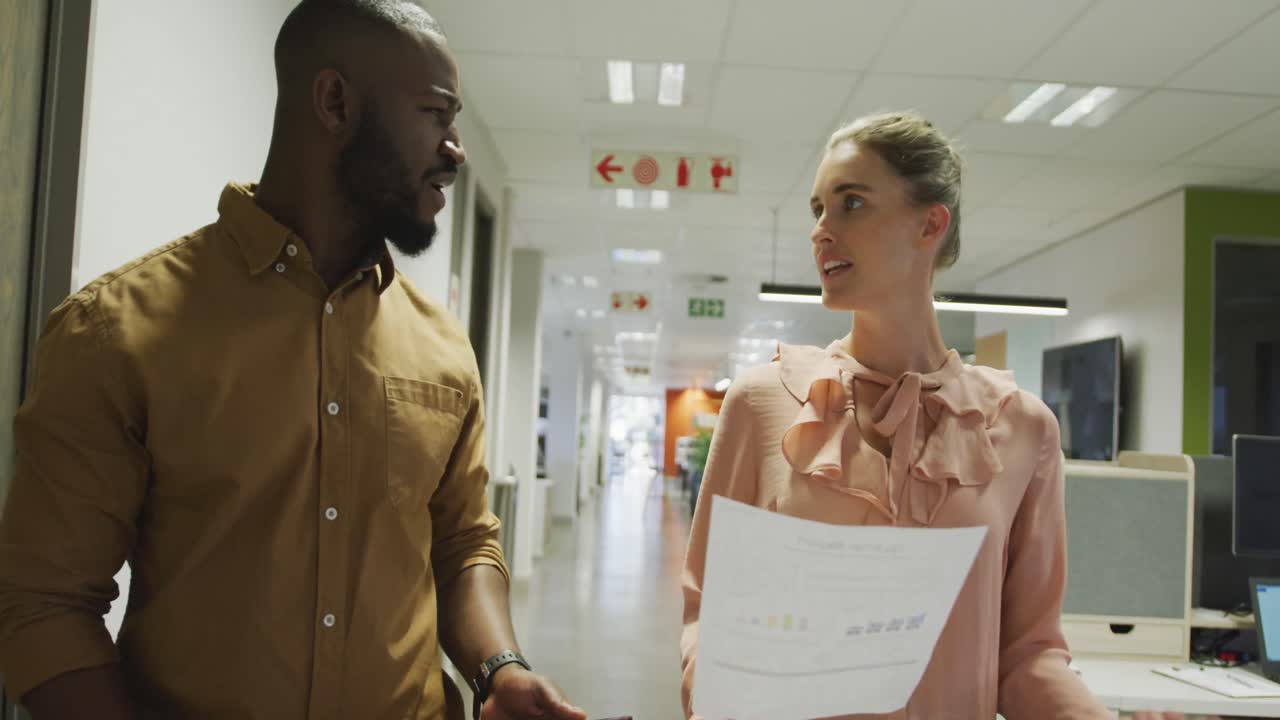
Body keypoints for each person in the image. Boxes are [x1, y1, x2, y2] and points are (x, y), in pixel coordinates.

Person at [0, 2, 585, 719]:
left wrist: (500, 668)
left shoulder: (442, 347)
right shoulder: (118, 332)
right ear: (335, 102)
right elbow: (44, 604)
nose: (455, 149)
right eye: (436, 114)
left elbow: (463, 542)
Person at [679, 112, 1188, 719]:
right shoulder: (764, 404)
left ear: (930, 222)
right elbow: (705, 614)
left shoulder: (1023, 430)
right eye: (817, 209)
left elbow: (1027, 657)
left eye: (851, 203)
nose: (820, 230)